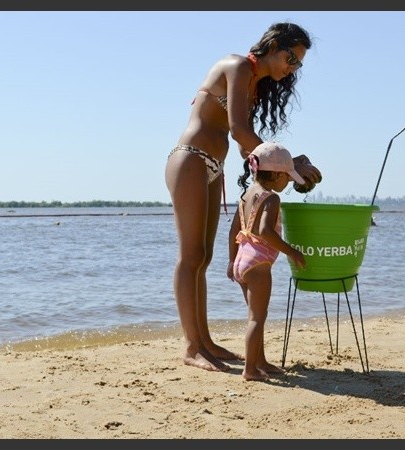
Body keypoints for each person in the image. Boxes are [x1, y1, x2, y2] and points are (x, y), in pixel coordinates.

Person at [164, 21, 322, 372]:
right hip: (189, 159)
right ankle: (191, 347)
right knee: (190, 256)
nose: (292, 69)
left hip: (211, 167)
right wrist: (288, 160)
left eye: (298, 65)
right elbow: (238, 130)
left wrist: (284, 169)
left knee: (202, 257)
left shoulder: (254, 84)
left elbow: (242, 147)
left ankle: (204, 342)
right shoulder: (237, 66)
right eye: (291, 59)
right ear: (274, 45)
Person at [227, 142, 307, 381]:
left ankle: (260, 361)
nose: (287, 183)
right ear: (275, 175)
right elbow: (264, 231)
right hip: (258, 265)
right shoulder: (271, 199)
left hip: (243, 259)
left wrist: (232, 262)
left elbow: (233, 231)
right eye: (287, 177)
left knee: (255, 314)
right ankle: (250, 369)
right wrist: (292, 252)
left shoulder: (245, 195)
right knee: (257, 318)